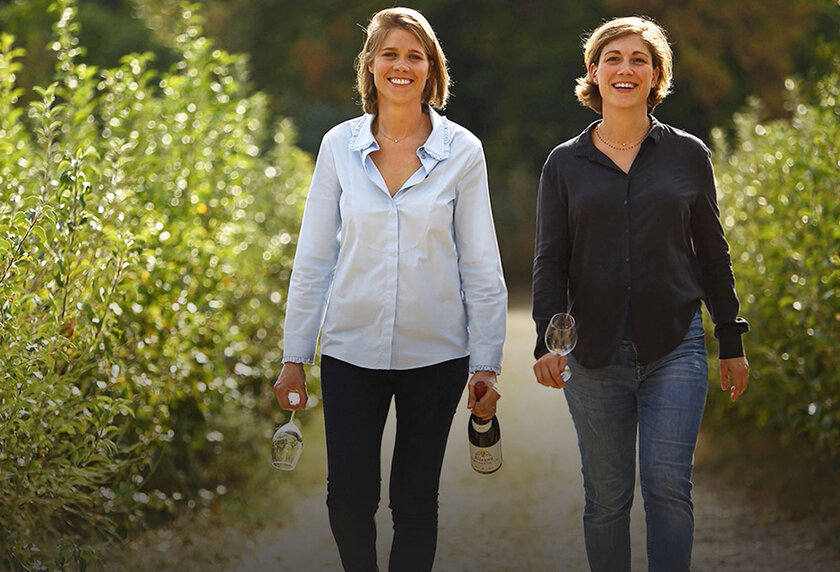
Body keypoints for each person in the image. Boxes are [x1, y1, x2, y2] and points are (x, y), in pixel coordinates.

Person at [273, 7, 507, 571]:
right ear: (370, 66)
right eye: (390, 54)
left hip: (438, 354)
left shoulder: (463, 152)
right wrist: (294, 357)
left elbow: (481, 263)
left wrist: (487, 364)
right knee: (348, 498)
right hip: (352, 350)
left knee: (414, 501)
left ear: (432, 70)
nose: (401, 65)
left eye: (415, 56)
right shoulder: (337, 146)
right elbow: (313, 258)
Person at [531, 16, 750, 572]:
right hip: (594, 353)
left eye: (639, 60)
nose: (625, 69)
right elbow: (550, 261)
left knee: (669, 489)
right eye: (614, 58)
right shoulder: (563, 163)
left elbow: (712, 252)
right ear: (594, 73)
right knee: (606, 501)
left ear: (656, 75)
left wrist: (731, 338)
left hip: (674, 346)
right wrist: (545, 341)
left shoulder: (689, 155)